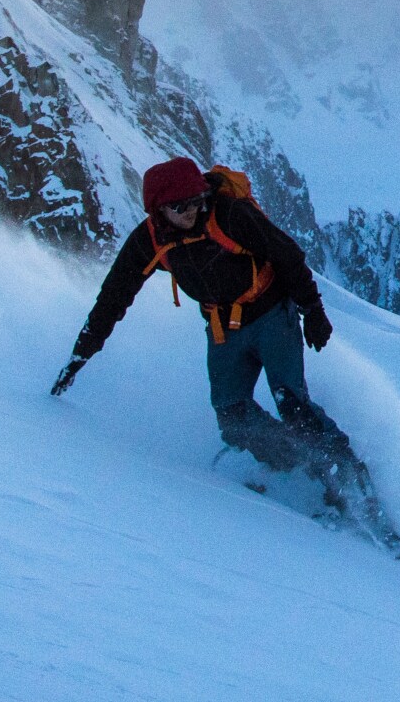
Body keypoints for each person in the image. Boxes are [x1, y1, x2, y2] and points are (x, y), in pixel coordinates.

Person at [50, 156, 364, 494]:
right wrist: (81, 355)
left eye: (197, 201)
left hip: (273, 316)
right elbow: (113, 297)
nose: (192, 211)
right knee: (233, 417)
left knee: (293, 404)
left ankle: (352, 483)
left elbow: (286, 253)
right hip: (223, 329)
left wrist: (313, 310)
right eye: (181, 207)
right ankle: (298, 469)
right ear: (159, 211)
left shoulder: (229, 214)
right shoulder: (150, 240)